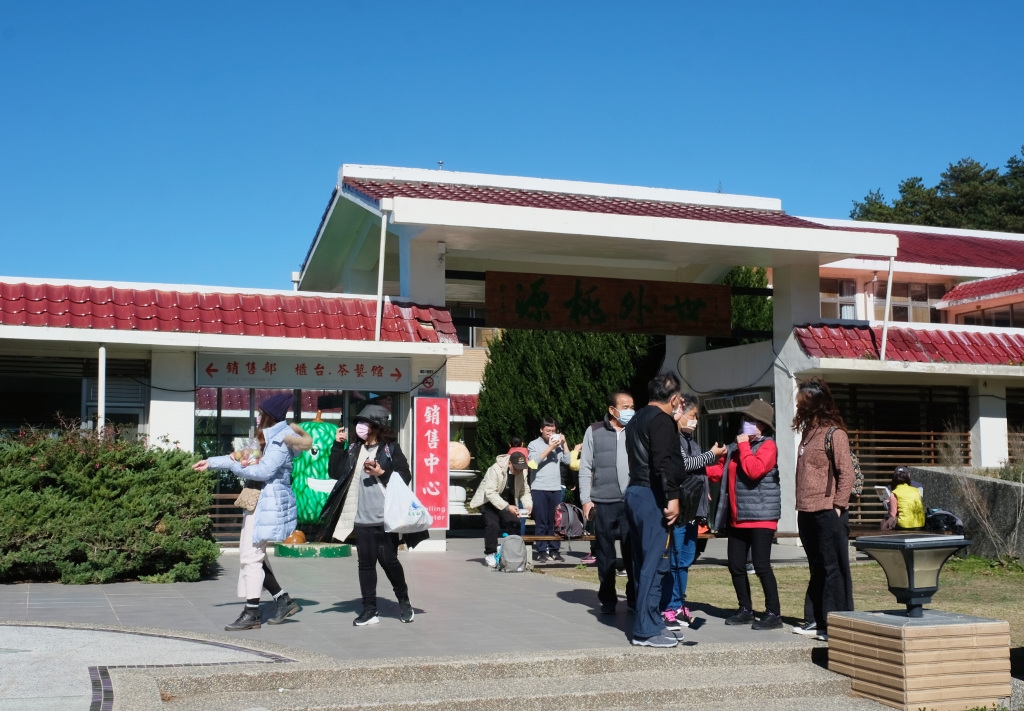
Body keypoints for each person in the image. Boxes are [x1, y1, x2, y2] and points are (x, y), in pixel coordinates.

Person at [192, 393, 308, 631]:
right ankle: (282, 600)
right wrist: (211, 462)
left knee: (251, 556)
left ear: (269, 416)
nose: (257, 417)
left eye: (260, 413)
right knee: (253, 554)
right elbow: (239, 456)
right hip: (257, 502)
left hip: (267, 504)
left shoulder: (280, 442)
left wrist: (237, 468)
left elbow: (263, 472)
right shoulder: (265, 439)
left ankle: (252, 612)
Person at [318, 404, 417, 627]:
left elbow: (405, 476)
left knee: (390, 561)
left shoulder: (390, 448)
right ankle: (370, 610)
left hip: (385, 518)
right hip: (361, 518)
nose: (360, 426)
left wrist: (382, 472)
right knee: (365, 565)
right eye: (359, 422)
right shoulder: (354, 449)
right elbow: (335, 472)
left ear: (376, 426)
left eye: (365, 422)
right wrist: (337, 445)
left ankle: (404, 600)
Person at [706, 399, 783, 630]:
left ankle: (773, 613)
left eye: (754, 422)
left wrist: (743, 446)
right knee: (736, 565)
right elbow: (718, 472)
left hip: (761, 517)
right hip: (737, 518)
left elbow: (754, 471)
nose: (748, 425)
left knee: (761, 565)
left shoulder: (768, 446)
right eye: (746, 420)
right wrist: (697, 465)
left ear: (764, 426)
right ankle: (745, 609)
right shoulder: (734, 447)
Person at [791, 378, 856, 642]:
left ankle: (836, 624)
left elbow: (847, 473)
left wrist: (839, 506)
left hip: (828, 511)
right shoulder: (808, 433)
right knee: (816, 568)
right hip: (806, 511)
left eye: (802, 399)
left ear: (815, 402)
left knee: (833, 569)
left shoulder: (834, 434)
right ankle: (815, 620)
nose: (798, 403)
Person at [624, 373, 686, 648]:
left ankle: (649, 618)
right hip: (652, 494)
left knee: (642, 562)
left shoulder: (637, 418)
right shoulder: (661, 421)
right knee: (655, 562)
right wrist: (672, 497)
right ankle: (645, 630)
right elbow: (662, 462)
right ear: (673, 398)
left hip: (636, 491)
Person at [661, 392, 725, 630]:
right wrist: (711, 456)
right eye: (692, 415)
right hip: (679, 508)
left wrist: (705, 491)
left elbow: (700, 473)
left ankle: (678, 604)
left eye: (697, 416)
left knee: (686, 559)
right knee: (675, 558)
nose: (695, 420)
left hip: (694, 510)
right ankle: (668, 606)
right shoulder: (673, 440)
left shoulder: (693, 442)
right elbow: (684, 465)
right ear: (679, 414)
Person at [579, 390, 636, 614]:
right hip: (603, 503)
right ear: (612, 410)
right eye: (625, 407)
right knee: (605, 555)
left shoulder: (636, 430)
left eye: (632, 406)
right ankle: (608, 600)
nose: (630, 411)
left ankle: (633, 599)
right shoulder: (594, 431)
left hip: (631, 502)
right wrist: (586, 499)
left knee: (632, 553)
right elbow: (585, 468)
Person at [469, 451, 533, 567]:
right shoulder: (495, 469)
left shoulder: (523, 472)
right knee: (493, 525)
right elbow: (490, 492)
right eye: (516, 468)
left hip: (506, 502)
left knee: (515, 523)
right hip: (488, 501)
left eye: (521, 468)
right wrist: (507, 507)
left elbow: (525, 491)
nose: (519, 471)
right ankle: (490, 553)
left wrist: (528, 505)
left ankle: (512, 550)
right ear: (509, 463)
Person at [527, 418, 571, 563]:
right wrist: (550, 448)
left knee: (556, 521)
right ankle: (541, 551)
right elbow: (533, 464)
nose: (551, 433)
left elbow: (568, 461)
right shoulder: (533, 444)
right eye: (548, 431)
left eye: (553, 431)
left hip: (555, 487)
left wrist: (564, 444)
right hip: (539, 487)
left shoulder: (558, 445)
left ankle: (554, 550)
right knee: (541, 520)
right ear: (541, 430)